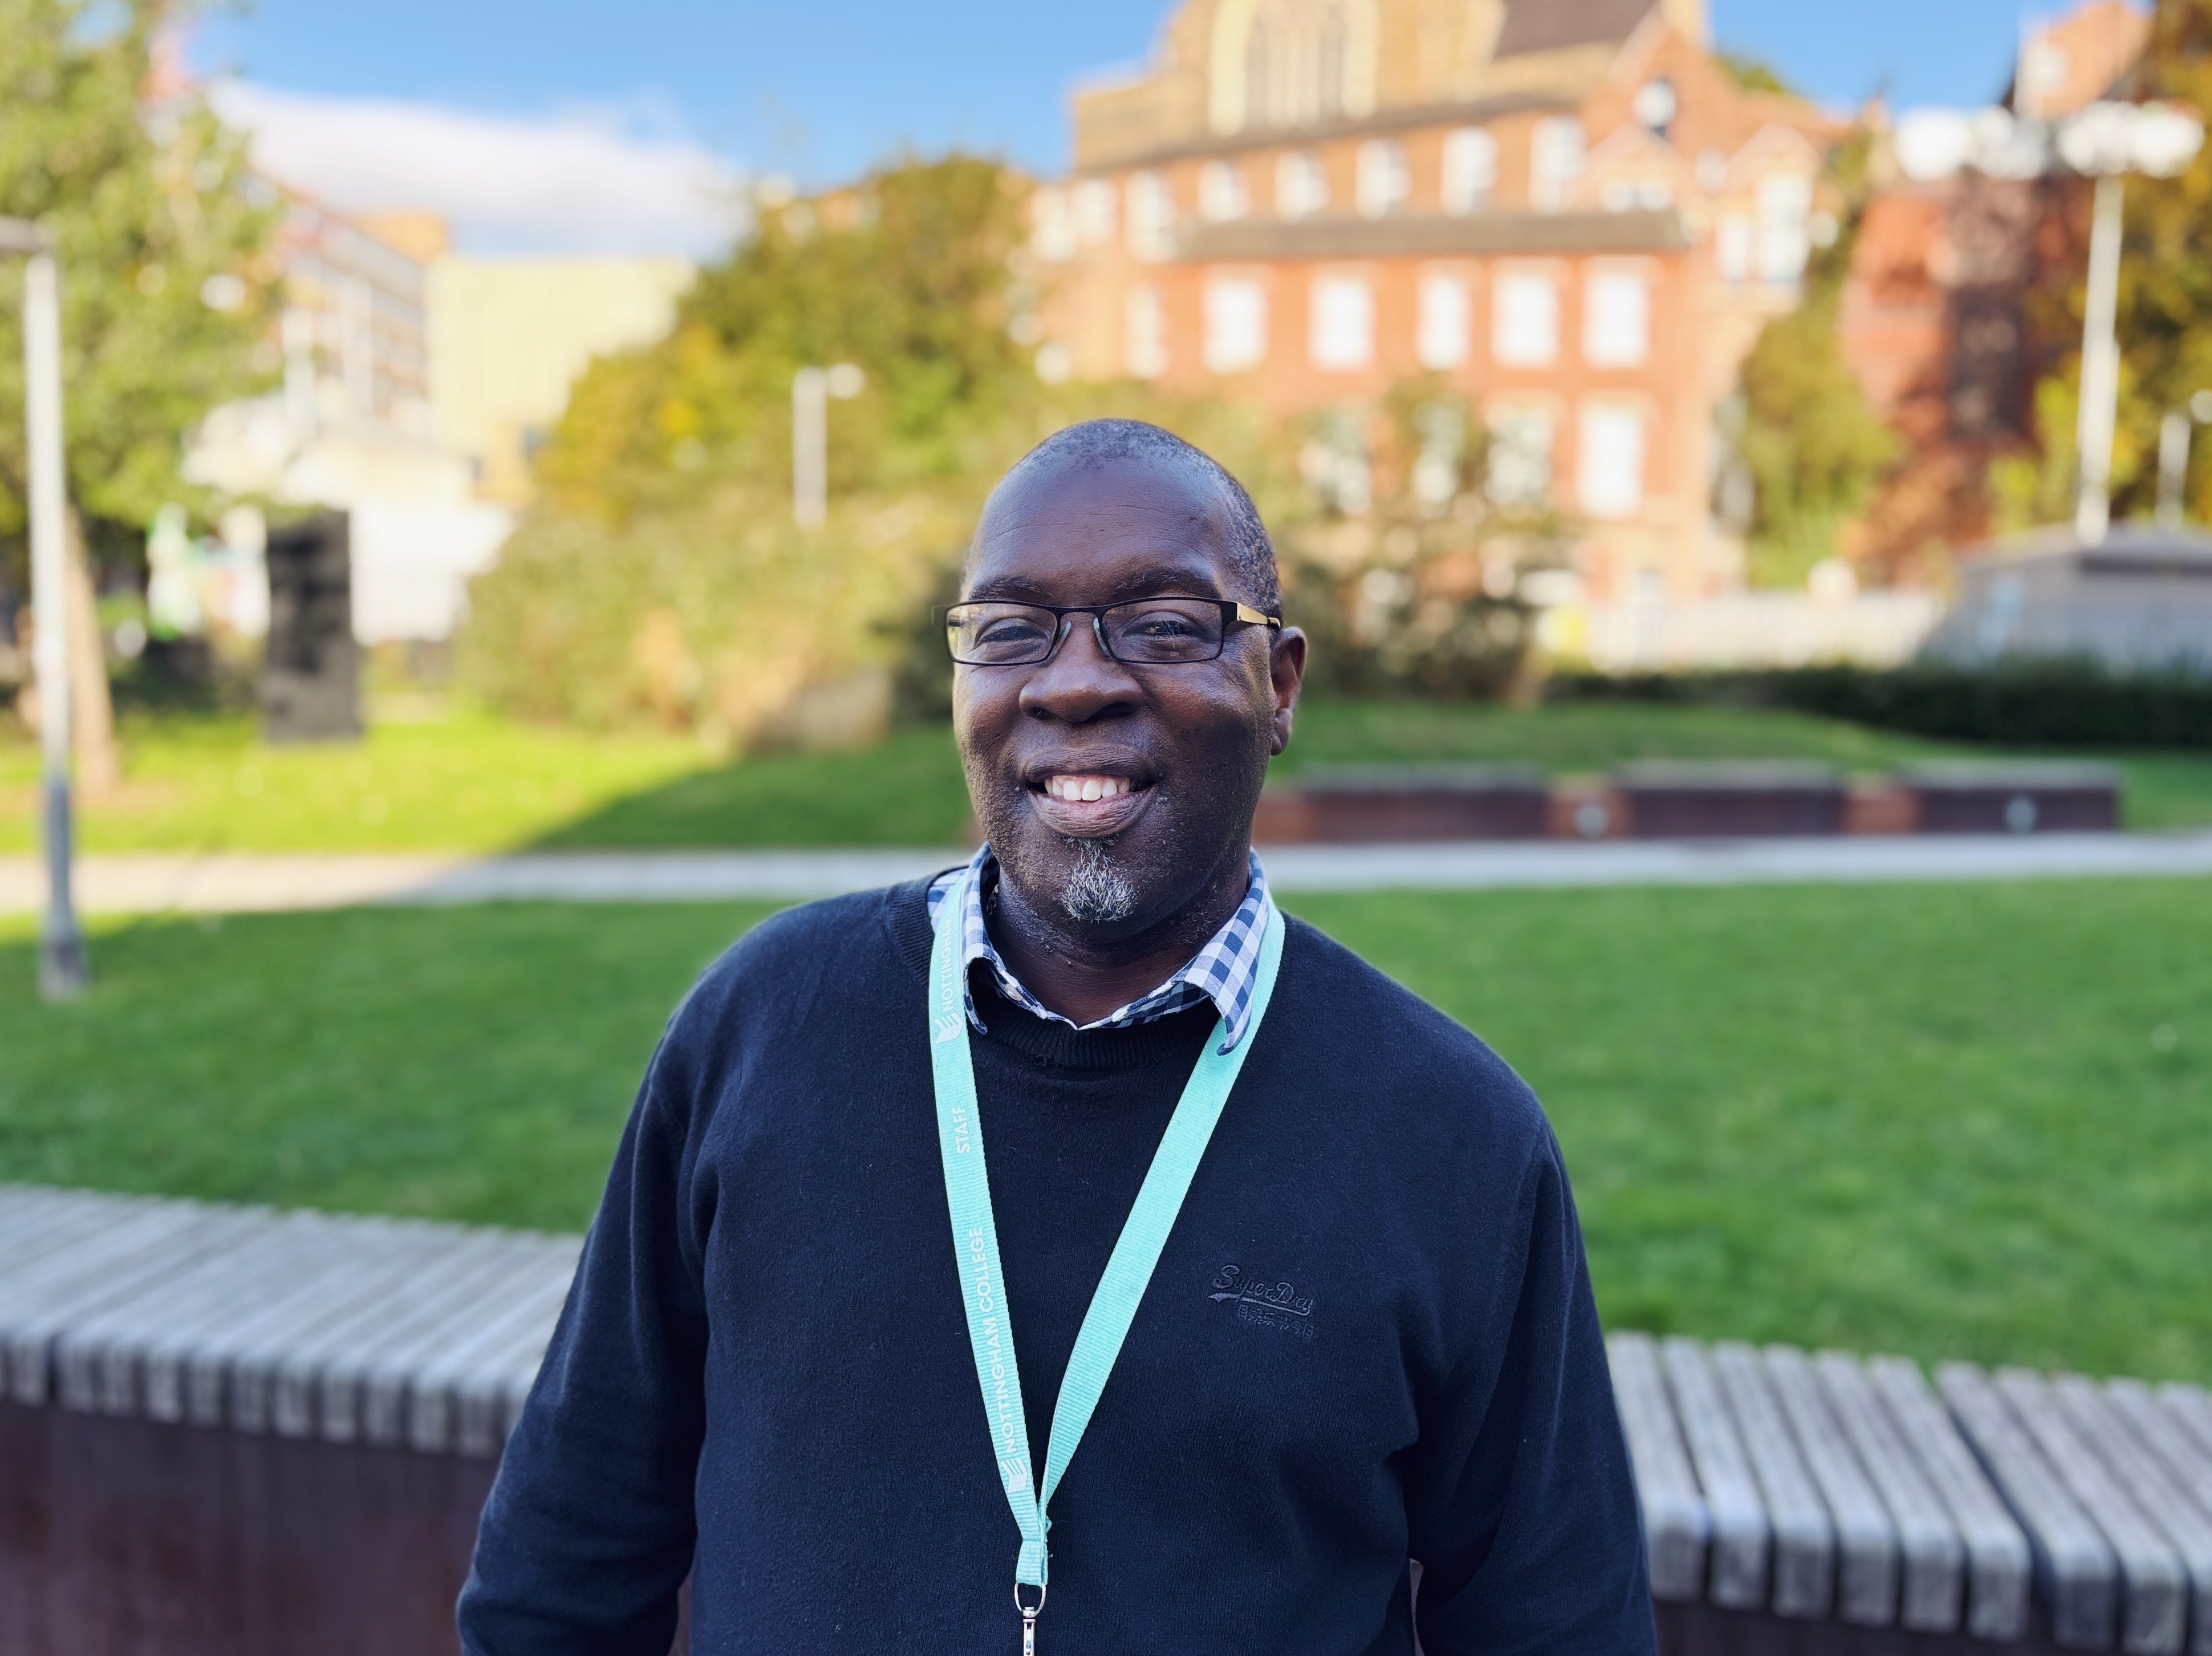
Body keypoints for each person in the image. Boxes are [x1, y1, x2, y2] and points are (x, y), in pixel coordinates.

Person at [458, 419, 1654, 1655]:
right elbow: (567, 1552)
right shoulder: (761, 1030)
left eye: (1163, 624)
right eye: (1012, 628)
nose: (1074, 681)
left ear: (1280, 683)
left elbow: (1555, 1629)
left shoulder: (1451, 1138)